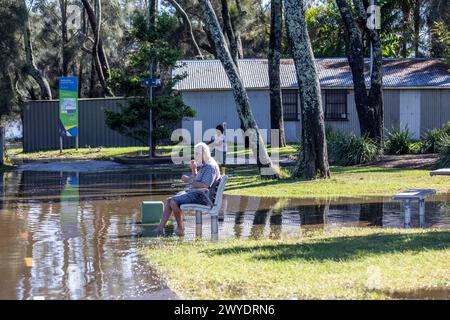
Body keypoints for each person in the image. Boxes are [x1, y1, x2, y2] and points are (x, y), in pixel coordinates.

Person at [155, 142, 221, 236]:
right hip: (197, 193)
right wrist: (194, 170)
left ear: (204, 153)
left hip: (202, 197)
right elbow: (198, 180)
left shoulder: (210, 167)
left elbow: (204, 185)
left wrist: (188, 180)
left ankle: (180, 228)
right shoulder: (206, 165)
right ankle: (160, 228)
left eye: (197, 153)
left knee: (173, 201)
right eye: (195, 153)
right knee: (169, 200)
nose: (195, 156)